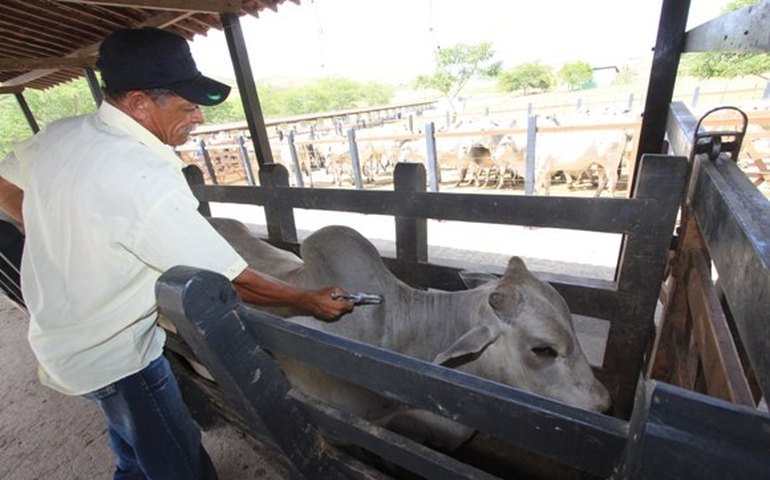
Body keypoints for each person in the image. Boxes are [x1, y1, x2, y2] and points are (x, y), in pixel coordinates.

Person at [0, 27, 354, 480]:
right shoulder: (143, 175)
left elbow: (4, 184)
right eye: (188, 107)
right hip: (117, 356)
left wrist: (48, 225)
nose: (199, 118)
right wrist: (309, 299)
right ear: (140, 104)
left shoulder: (61, 134)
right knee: (177, 461)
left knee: (132, 448)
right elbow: (231, 279)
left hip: (60, 339)